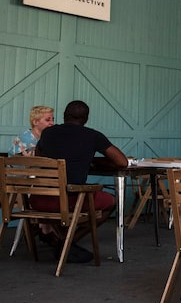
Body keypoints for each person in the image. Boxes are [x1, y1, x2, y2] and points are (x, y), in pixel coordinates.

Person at [34, 100, 128, 261]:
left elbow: (38, 157)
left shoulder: (48, 134)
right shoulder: (93, 136)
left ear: (64, 116)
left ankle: (61, 240)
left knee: (69, 198)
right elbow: (122, 162)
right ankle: (68, 242)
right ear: (86, 119)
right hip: (69, 200)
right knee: (112, 201)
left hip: (39, 200)